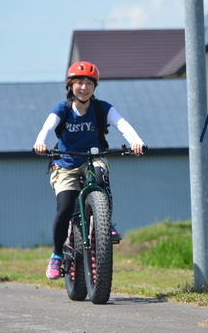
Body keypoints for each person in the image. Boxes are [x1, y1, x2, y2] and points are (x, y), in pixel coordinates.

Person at [33, 61, 144, 279]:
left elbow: (122, 124)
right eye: (79, 83)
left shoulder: (102, 108)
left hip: (93, 157)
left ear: (94, 86)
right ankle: (56, 255)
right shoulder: (62, 109)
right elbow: (47, 127)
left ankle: (105, 223)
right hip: (65, 162)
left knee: (101, 176)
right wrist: (40, 143)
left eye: (89, 83)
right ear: (70, 86)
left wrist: (136, 141)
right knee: (64, 208)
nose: (84, 87)